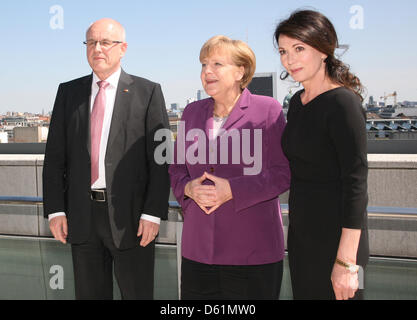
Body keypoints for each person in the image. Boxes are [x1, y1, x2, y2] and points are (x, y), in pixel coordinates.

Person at [43, 18, 170, 300]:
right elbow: (54, 158)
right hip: (81, 218)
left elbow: (160, 160)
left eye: (105, 42)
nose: (97, 48)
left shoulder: (147, 92)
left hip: (133, 220)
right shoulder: (68, 92)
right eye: (91, 42)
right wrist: (55, 210)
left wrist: (152, 213)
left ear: (123, 48)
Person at [169, 35, 290, 300]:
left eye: (216, 64)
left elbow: (283, 173)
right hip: (198, 252)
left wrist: (233, 190)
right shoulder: (191, 113)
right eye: (203, 64)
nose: (206, 71)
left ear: (240, 71)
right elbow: (176, 168)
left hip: (252, 252)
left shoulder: (267, 110)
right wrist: (188, 188)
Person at [274, 10, 369, 300]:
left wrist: (345, 261)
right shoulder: (298, 104)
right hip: (303, 237)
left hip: (340, 243)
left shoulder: (343, 104)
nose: (289, 59)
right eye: (283, 51)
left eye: (299, 48)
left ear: (323, 50)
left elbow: (356, 185)